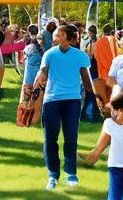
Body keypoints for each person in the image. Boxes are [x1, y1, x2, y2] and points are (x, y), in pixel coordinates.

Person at [35, 24, 93, 190]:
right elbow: (44, 72)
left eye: (58, 34)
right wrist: (40, 79)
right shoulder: (49, 53)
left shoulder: (81, 56)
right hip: (51, 100)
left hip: (72, 101)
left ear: (68, 38)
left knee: (71, 138)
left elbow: (86, 79)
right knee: (50, 139)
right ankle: (53, 175)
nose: (54, 37)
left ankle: (71, 173)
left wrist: (97, 97)